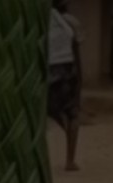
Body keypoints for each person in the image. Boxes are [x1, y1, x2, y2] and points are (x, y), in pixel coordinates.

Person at [48, 0, 83, 172]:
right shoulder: (70, 22)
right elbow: (77, 54)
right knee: (73, 114)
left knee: (53, 110)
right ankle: (70, 160)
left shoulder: (44, 22)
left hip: (51, 71)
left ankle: (70, 155)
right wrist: (80, 81)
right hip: (66, 69)